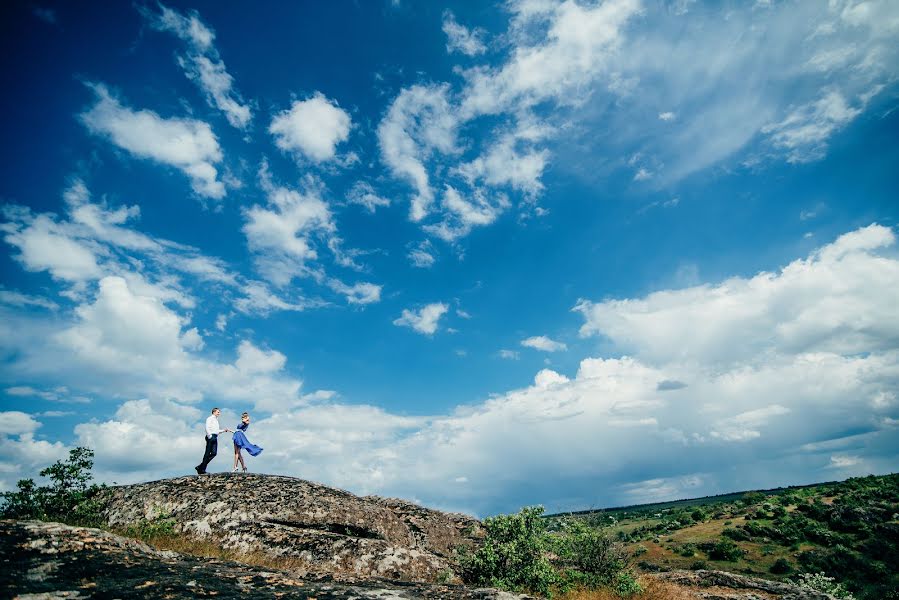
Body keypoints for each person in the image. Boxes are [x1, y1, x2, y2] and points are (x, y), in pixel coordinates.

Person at [195, 407, 231, 475]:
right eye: (218, 412)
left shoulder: (216, 420)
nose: (219, 413)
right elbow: (207, 427)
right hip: (211, 436)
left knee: (214, 453)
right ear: (214, 412)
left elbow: (216, 431)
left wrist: (223, 430)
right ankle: (202, 470)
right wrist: (210, 436)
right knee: (207, 454)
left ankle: (200, 466)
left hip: (215, 436)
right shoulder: (210, 418)